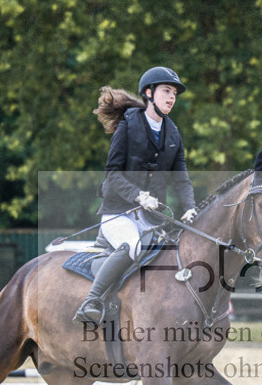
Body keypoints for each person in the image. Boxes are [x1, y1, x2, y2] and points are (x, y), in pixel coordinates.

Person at [74, 66, 198, 325]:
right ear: (149, 93)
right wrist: (138, 196)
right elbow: (112, 174)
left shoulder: (173, 133)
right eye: (166, 91)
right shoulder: (128, 126)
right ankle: (92, 301)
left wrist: (190, 207)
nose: (172, 97)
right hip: (118, 213)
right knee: (133, 246)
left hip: (151, 219)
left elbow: (181, 178)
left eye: (174, 93)